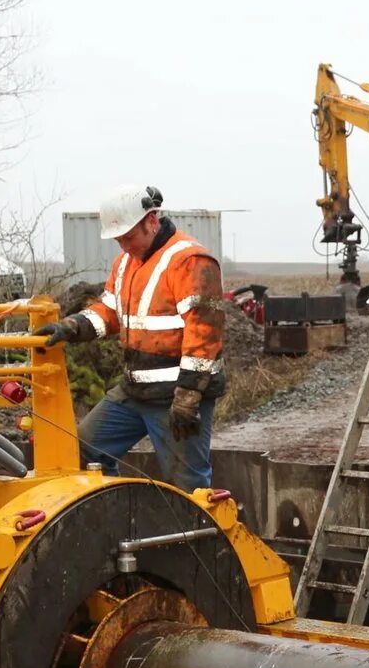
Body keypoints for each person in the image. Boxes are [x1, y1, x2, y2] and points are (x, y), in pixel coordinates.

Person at [33, 185, 225, 491]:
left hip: (177, 395)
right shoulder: (125, 264)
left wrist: (188, 397)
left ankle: (198, 536)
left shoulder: (190, 261)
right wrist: (73, 326)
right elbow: (111, 310)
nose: (123, 245)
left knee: (187, 486)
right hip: (134, 391)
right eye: (118, 239)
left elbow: (205, 332)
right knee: (81, 451)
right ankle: (116, 517)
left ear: (152, 220)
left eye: (128, 237)